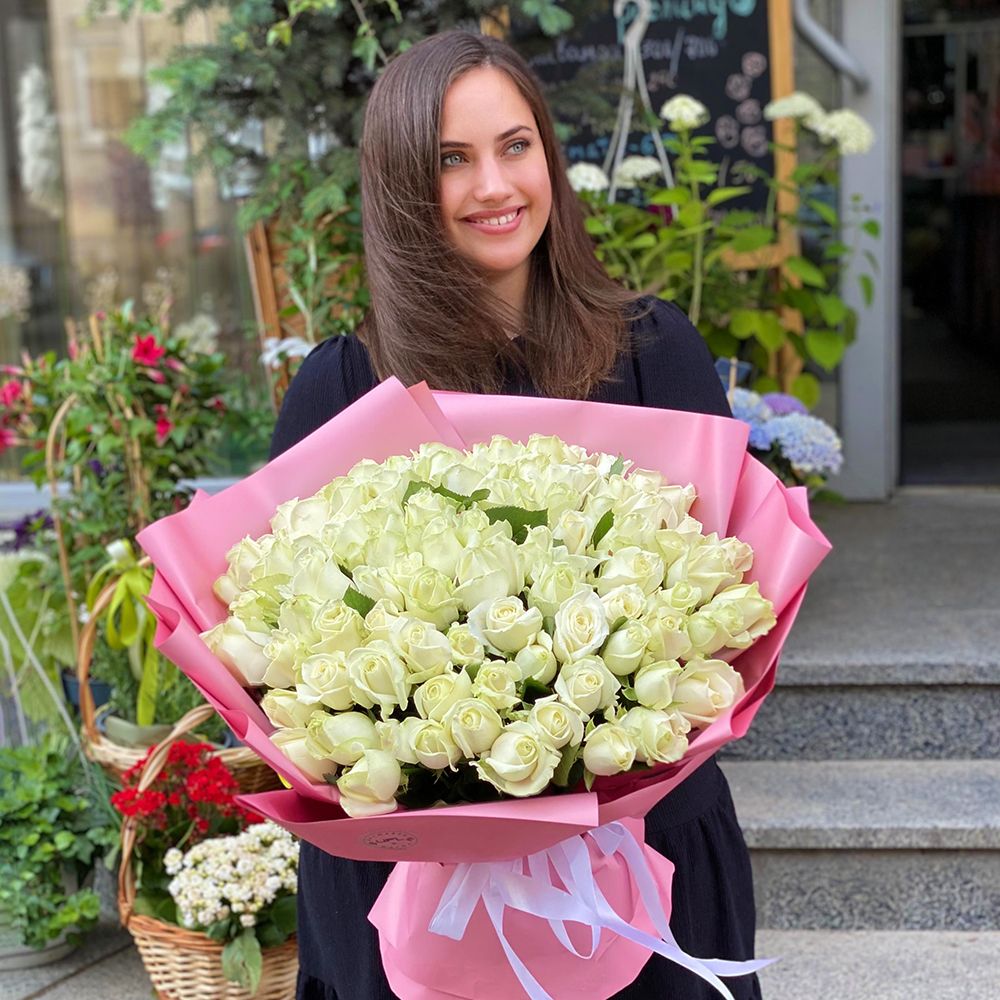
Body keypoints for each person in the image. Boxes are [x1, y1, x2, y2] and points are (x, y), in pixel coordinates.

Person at [270, 29, 761, 1000]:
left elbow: (738, 608)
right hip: (406, 885)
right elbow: (283, 654)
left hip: (638, 857)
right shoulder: (342, 388)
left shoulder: (652, 354)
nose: (493, 185)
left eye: (514, 145)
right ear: (402, 185)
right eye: (451, 159)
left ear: (548, 155)